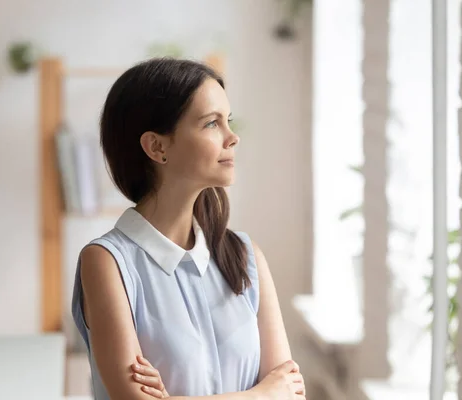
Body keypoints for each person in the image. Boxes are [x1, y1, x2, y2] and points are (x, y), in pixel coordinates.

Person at [71, 57, 306, 400]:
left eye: (228, 121)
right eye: (212, 123)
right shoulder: (107, 263)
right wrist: (263, 394)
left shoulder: (245, 255)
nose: (233, 137)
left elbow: (292, 392)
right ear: (157, 147)